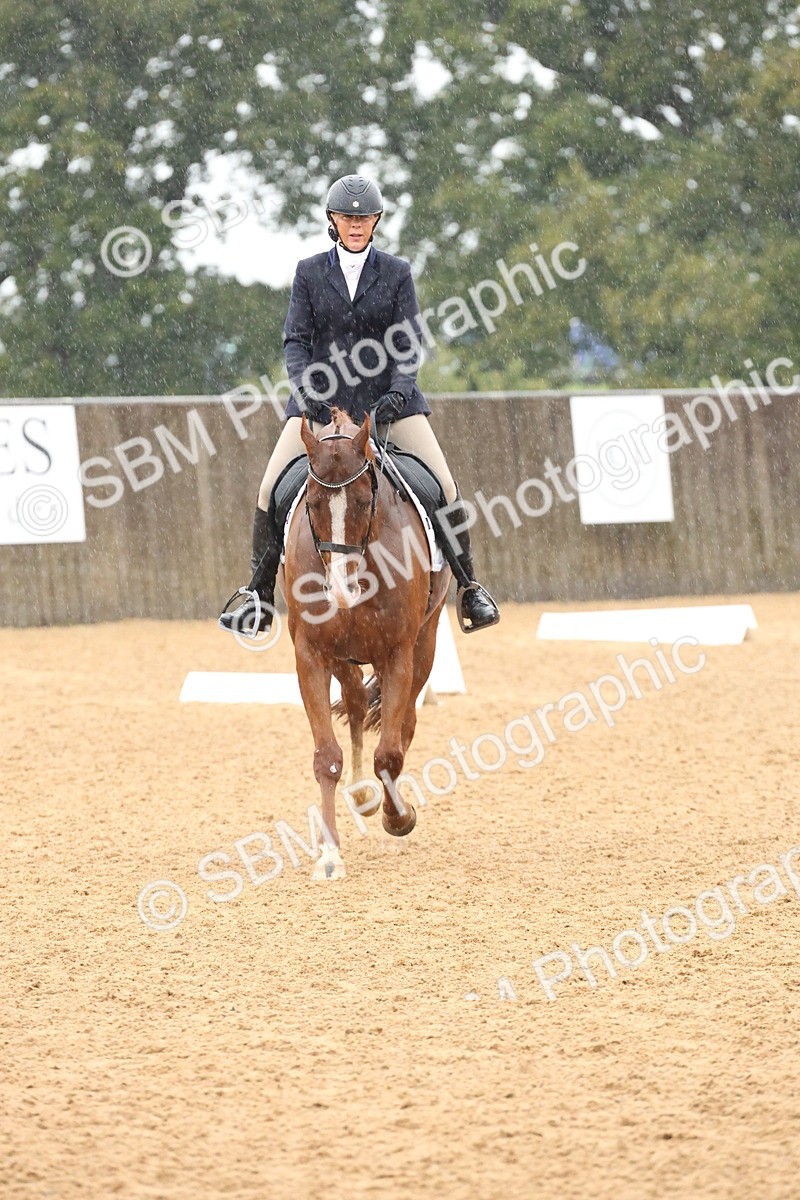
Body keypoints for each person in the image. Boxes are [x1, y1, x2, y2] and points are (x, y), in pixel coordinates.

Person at [218, 173, 500, 636]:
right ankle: (258, 595)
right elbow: (296, 341)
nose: (355, 224)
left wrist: (399, 390)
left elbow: (408, 344)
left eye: (364, 217)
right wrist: (306, 392)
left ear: (376, 222)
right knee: (269, 489)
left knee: (445, 487)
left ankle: (470, 588)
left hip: (389, 404)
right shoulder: (309, 272)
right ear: (333, 220)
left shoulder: (396, 272)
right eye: (348, 217)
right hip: (320, 406)